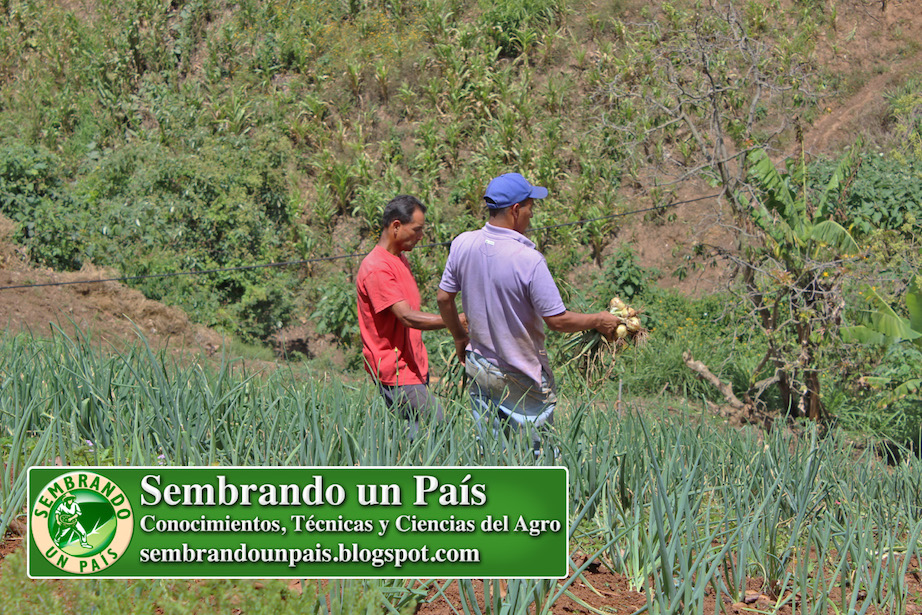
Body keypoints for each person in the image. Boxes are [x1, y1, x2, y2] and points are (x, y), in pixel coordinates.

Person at [437, 173, 621, 455]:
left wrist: (460, 339)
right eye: (530, 206)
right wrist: (598, 320)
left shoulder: (463, 244)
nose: (532, 214)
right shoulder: (528, 260)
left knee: (491, 451)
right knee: (539, 454)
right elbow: (557, 321)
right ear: (515, 210)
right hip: (520, 373)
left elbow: (443, 298)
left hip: (479, 366)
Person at [357, 195, 450, 438]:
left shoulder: (398, 258)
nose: (421, 236)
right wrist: (456, 321)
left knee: (417, 437)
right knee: (438, 421)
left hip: (413, 367)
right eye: (417, 230)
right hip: (396, 371)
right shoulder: (377, 267)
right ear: (396, 226)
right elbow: (407, 317)